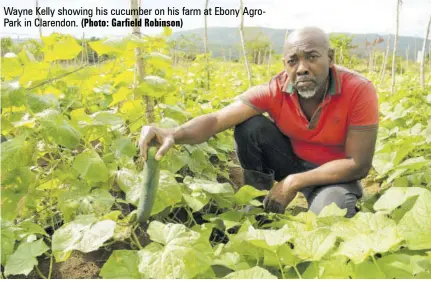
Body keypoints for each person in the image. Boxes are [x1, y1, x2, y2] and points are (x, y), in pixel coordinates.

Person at [139, 26, 379, 218]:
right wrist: (173, 133)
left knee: (329, 216)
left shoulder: (358, 90)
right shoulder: (276, 89)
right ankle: (258, 206)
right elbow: (215, 120)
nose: (302, 68)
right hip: (292, 161)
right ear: (285, 64)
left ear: (330, 58)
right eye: (293, 61)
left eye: (312, 57)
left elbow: (358, 164)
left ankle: (308, 196)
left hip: (333, 175)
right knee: (249, 126)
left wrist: (294, 182)